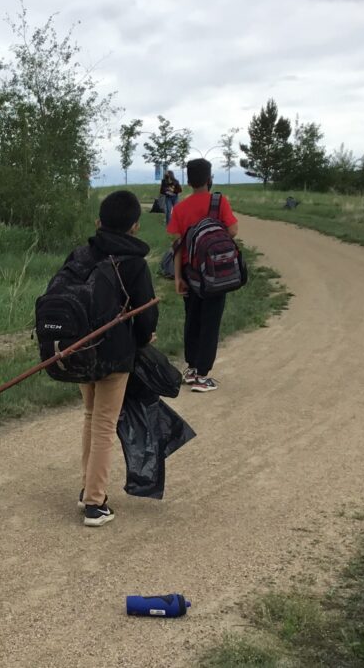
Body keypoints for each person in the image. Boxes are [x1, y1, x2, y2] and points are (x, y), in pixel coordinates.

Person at [70, 190, 158, 526]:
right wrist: (143, 338)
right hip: (114, 356)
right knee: (106, 424)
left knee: (91, 417)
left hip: (78, 351)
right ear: (135, 227)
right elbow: (146, 312)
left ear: (99, 223)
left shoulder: (80, 255)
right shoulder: (134, 264)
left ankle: (87, 488)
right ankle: (95, 502)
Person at [167, 158, 239, 393]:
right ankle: (202, 375)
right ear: (210, 179)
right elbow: (232, 230)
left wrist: (177, 277)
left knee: (193, 320)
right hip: (214, 274)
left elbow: (177, 246)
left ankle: (191, 367)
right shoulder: (219, 202)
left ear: (188, 182)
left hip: (190, 273)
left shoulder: (179, 209)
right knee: (211, 322)